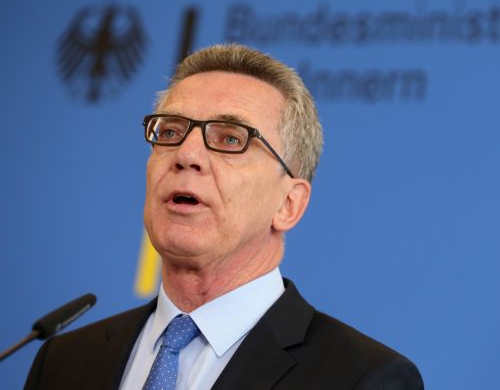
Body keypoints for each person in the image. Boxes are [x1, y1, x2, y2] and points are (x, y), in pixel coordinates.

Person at [25, 44, 424, 389]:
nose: (187, 155)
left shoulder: (361, 377)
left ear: (288, 204)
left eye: (231, 139)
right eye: (170, 133)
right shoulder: (62, 361)